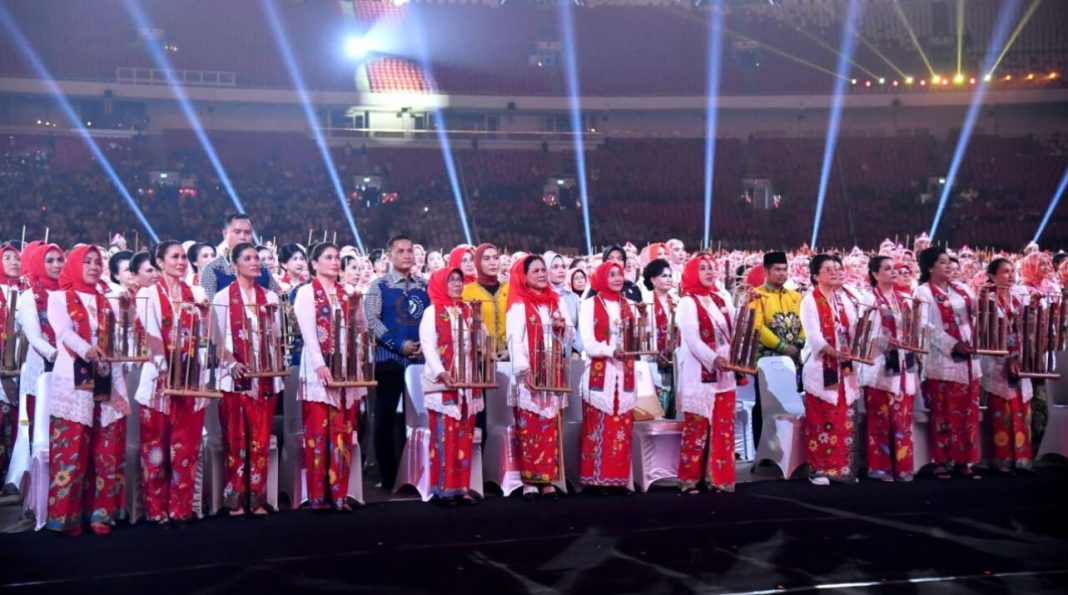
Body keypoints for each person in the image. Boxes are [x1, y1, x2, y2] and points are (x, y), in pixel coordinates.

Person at [46, 245, 130, 535]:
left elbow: (120, 337)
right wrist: (88, 350)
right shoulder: (58, 297)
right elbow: (63, 332)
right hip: (74, 380)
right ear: (75, 265)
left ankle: (101, 512)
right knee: (72, 448)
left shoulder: (108, 300)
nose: (94, 267)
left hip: (107, 376)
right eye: (88, 262)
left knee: (106, 448)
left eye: (97, 262)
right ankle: (67, 515)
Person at [135, 241, 210, 525]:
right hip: (158, 382)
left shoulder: (198, 293)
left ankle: (181, 508)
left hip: (190, 381)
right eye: (174, 257)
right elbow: (152, 336)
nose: (180, 261)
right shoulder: (148, 294)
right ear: (159, 261)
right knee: (156, 450)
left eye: (182, 257)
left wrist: (205, 314)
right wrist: (164, 369)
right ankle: (156, 509)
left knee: (186, 448)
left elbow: (209, 334)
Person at [211, 243, 284, 516]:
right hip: (234, 378)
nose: (254, 262)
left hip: (265, 379)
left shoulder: (271, 298)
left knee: (261, 440)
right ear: (234, 265)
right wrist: (232, 363)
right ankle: (235, 500)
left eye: (257, 258)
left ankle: (257, 498)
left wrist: (271, 367)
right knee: (236, 439)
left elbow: (276, 340)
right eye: (247, 258)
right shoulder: (221, 298)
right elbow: (216, 339)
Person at [294, 242, 364, 510]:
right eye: (328, 257)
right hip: (318, 370)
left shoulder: (346, 292)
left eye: (337, 257)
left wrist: (357, 307)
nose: (335, 262)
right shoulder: (306, 293)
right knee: (318, 433)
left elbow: (360, 329)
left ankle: (339, 494)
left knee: (343, 434)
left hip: (346, 369)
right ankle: (317, 495)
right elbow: (309, 333)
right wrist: (320, 365)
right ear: (314, 263)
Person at [364, 235, 429, 490]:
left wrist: (425, 344)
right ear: (389, 256)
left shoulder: (424, 286)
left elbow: (433, 318)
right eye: (400, 251)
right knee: (386, 419)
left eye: (410, 251)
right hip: (389, 360)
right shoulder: (378, 286)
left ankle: (420, 472)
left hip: (420, 362)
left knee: (420, 418)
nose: (406, 255)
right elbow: (372, 321)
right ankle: (389, 475)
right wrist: (398, 344)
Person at [505, 255, 570, 499]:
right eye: (536, 271)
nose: (542, 274)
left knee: (550, 425)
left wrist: (562, 328)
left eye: (544, 269)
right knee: (530, 427)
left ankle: (548, 479)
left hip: (552, 372)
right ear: (524, 276)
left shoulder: (557, 302)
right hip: (529, 374)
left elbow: (567, 337)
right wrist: (525, 370)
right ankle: (530, 481)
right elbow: (514, 342)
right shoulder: (519, 305)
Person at [915, 246, 982, 479]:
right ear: (930, 267)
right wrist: (952, 344)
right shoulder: (922, 293)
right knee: (943, 412)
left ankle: (965, 461)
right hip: (942, 361)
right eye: (942, 262)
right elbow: (924, 326)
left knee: (967, 412)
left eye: (950, 262)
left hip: (969, 360)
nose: (949, 266)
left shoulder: (963, 290)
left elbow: (978, 316)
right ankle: (942, 460)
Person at [419, 267, 484, 505]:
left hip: (467, 382)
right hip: (443, 382)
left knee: (465, 435)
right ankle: (443, 488)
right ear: (439, 283)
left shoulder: (468, 310)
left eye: (459, 280)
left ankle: (462, 487)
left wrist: (477, 318)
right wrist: (441, 372)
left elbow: (482, 340)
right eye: (451, 280)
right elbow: (428, 346)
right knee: (445, 438)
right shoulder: (431, 312)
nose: (457, 284)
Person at [675, 254, 738, 493]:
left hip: (724, 374)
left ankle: (719, 479)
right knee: (697, 427)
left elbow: (736, 323)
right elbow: (692, 340)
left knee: (723, 427)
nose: (710, 272)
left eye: (712, 268)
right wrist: (714, 359)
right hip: (699, 375)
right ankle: (690, 479)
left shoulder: (721, 297)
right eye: (703, 268)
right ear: (692, 273)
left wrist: (749, 304)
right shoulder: (687, 302)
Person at [800, 254, 860, 486]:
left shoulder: (844, 299)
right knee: (821, 419)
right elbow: (813, 337)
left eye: (838, 267)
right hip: (821, 368)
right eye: (828, 269)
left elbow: (854, 329)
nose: (835, 272)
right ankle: (819, 470)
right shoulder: (809, 301)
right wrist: (832, 351)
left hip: (844, 368)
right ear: (816, 276)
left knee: (844, 417)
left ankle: (842, 469)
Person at [859, 256, 918, 482]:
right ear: (875, 274)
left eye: (894, 268)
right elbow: (862, 333)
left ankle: (904, 467)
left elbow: (919, 328)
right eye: (887, 269)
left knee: (903, 419)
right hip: (879, 366)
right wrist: (885, 341)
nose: (893, 272)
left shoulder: (905, 299)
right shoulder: (868, 299)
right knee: (880, 419)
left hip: (903, 365)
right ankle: (880, 468)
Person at [578, 261, 636, 493]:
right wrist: (612, 351)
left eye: (619, 274)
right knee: (598, 428)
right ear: (601, 278)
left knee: (621, 428)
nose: (616, 279)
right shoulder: (590, 304)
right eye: (611, 275)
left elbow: (637, 336)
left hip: (624, 374)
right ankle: (595, 480)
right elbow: (589, 343)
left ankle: (618, 479)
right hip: (600, 374)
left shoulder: (629, 304)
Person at [980, 258, 1033, 474]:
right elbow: (984, 332)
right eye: (1004, 272)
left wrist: (1021, 355)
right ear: (992, 276)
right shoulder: (987, 301)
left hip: (1020, 359)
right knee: (1001, 409)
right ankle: (1001, 460)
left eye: (1012, 271)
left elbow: (1026, 331)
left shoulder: (1019, 299)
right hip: (997, 361)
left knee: (1021, 408)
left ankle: (1022, 460)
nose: (1010, 275)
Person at [749, 251, 804, 445]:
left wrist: (798, 346)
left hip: (795, 359)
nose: (782, 273)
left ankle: (790, 448)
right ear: (766, 271)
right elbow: (757, 327)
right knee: (765, 404)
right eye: (777, 269)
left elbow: (804, 322)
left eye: (784, 269)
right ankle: (763, 451)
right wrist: (782, 347)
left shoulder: (796, 296)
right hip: (767, 360)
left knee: (791, 403)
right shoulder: (756, 295)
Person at [15, 242, 63, 447]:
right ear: (37, 263)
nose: (56, 265)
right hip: (43, 369)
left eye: (60, 259)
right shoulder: (29, 296)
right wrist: (59, 356)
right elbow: (34, 337)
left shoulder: (69, 293)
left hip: (71, 373)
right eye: (49, 260)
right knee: (41, 432)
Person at [1017, 251, 1054, 456]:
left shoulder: (1051, 288)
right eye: (1042, 264)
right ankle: (1028, 440)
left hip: (1047, 345)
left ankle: (1042, 438)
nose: (1047, 268)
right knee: (1031, 390)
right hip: (1029, 346)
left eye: (1048, 264)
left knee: (1044, 390)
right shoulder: (1022, 289)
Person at [199, 212, 279, 301]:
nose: (243, 237)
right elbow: (209, 309)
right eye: (237, 232)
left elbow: (275, 305)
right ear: (225, 234)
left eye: (247, 232)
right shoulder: (212, 270)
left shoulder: (263, 268)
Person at [642, 258, 677, 417]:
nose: (669, 279)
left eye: (670, 275)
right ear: (652, 280)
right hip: (653, 363)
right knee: (655, 414)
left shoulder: (677, 301)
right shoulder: (645, 303)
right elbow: (642, 335)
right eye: (664, 276)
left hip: (675, 364)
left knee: (673, 412)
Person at [461, 243, 509, 357]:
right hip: (478, 359)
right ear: (478, 262)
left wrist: (509, 350)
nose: (492, 262)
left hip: (508, 357)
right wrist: (482, 351)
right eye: (486, 259)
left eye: (496, 258)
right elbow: (464, 330)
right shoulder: (467, 292)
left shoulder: (509, 290)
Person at [0, 243, 21, 479]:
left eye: (17, 258)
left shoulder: (28, 291)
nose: (14, 262)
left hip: (21, 366)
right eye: (8, 258)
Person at [544, 251, 582, 354]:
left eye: (563, 267)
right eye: (555, 267)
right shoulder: (540, 297)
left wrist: (576, 349)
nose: (561, 270)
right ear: (546, 270)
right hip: (547, 355)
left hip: (571, 355)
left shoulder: (573, 297)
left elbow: (581, 327)